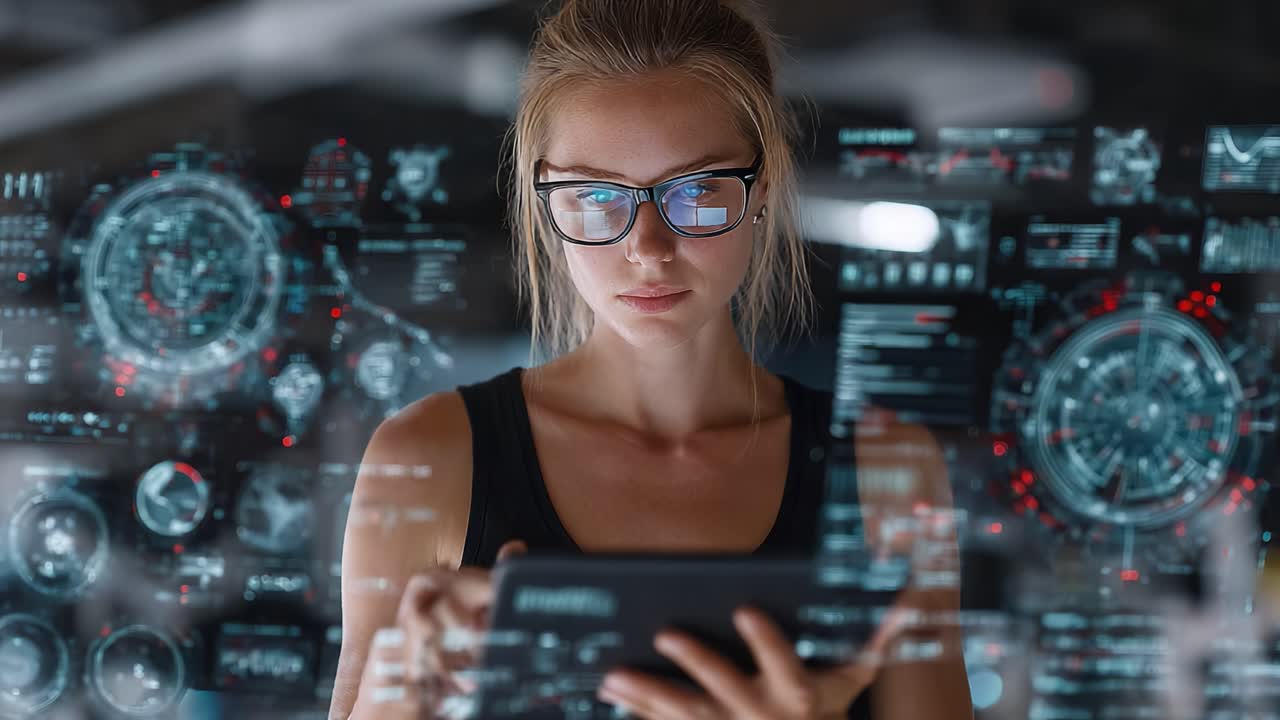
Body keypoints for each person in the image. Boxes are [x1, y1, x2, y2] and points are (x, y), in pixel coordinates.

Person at [330, 0, 974, 718]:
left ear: (761, 186)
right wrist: (408, 689)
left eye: (695, 192)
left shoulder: (889, 471)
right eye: (595, 198)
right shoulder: (427, 459)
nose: (647, 247)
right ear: (547, 203)